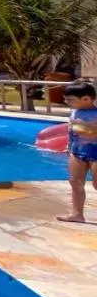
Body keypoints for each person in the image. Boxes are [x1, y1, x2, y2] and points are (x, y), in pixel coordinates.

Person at [58, 80, 97, 223]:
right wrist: (69, 147)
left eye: (71, 100)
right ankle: (77, 214)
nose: (67, 102)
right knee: (75, 181)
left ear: (86, 99)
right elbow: (71, 130)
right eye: (66, 99)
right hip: (77, 151)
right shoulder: (75, 111)